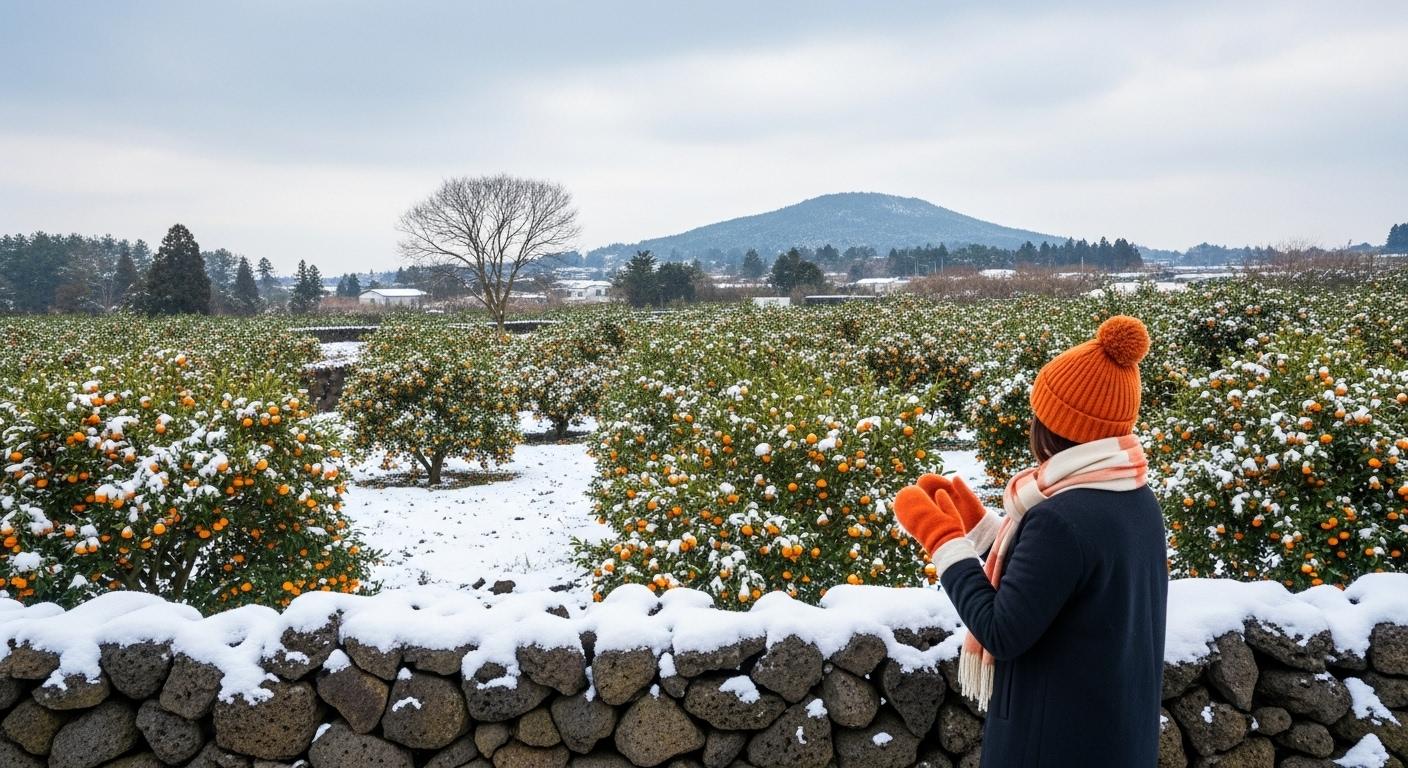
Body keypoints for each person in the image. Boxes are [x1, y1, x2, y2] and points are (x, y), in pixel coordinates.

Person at [893, 315, 1168, 767]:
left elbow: (1002, 630)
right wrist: (984, 531)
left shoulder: (1061, 519)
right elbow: (1053, 585)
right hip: (1116, 736)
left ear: (1057, 424)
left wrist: (942, 540)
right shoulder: (1134, 497)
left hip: (1054, 742)